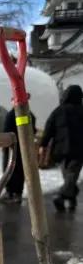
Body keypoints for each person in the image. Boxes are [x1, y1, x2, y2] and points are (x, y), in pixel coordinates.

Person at [39, 84, 83, 212]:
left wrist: (43, 144)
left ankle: (64, 196)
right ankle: (67, 197)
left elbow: (49, 128)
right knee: (71, 176)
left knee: (69, 175)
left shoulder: (59, 111)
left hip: (61, 150)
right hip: (79, 150)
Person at [1, 107, 36, 204]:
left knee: (10, 169)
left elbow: (7, 130)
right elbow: (32, 130)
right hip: (24, 147)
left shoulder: (11, 114)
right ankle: (17, 193)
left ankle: (10, 192)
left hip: (12, 147)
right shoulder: (29, 114)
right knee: (21, 170)